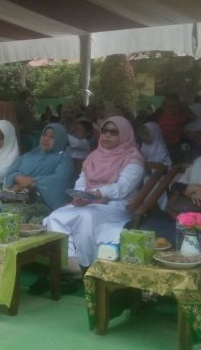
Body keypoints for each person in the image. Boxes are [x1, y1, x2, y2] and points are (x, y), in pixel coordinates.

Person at [43, 117, 145, 278]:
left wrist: (98, 193)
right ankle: (70, 263)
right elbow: (82, 181)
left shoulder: (133, 158)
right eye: (104, 131)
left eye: (114, 132)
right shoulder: (93, 156)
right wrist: (79, 195)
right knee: (55, 217)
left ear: (125, 135)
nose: (107, 135)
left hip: (116, 205)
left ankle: (87, 265)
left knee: (86, 216)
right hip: (89, 202)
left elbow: (122, 188)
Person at [1, 123, 75, 224]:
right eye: (44, 135)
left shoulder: (63, 158)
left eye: (52, 137)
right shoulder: (31, 154)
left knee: (16, 214)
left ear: (60, 139)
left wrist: (31, 182)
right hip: (20, 197)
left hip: (45, 202)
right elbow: (10, 172)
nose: (46, 139)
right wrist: (17, 177)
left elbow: (60, 181)